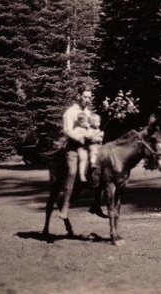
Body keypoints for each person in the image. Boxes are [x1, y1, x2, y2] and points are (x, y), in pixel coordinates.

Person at [58, 85, 107, 220]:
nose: (88, 100)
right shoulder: (71, 112)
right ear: (79, 96)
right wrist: (80, 137)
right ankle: (65, 206)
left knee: (102, 169)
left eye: (90, 97)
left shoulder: (89, 112)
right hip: (74, 146)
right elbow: (67, 130)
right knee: (73, 172)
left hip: (89, 146)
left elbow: (92, 126)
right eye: (85, 97)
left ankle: (96, 205)